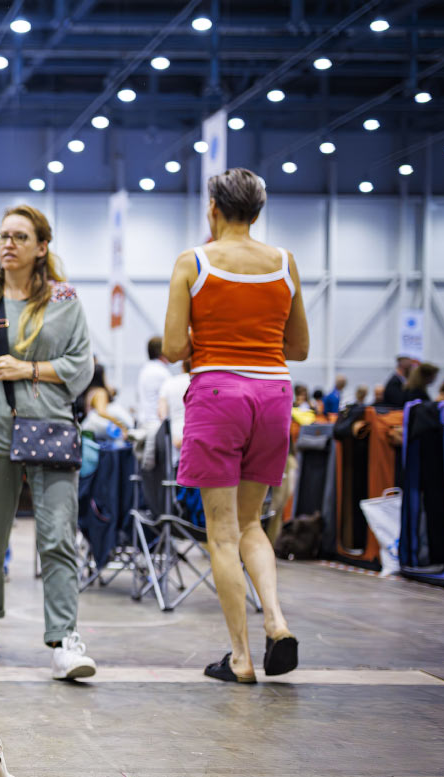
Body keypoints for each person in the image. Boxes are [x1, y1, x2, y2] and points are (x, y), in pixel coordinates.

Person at [162, 167, 307, 684]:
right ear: (258, 211)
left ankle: (242, 657)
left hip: (218, 392)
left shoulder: (193, 262)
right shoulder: (284, 263)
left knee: (221, 533)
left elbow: (174, 347)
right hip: (274, 393)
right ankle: (277, 618)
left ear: (214, 210)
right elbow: (299, 349)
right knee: (252, 524)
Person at [0, 204, 97, 680]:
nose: (8, 243)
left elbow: (82, 365)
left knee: (57, 538)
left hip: (53, 432)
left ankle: (64, 640)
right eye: (2, 235)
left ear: (42, 246)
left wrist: (29, 369)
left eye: (19, 236)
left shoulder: (64, 298)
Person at [82, 364, 132, 439]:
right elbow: (101, 412)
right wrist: (118, 423)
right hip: (101, 434)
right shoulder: (100, 393)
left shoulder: (90, 392)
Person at [136, 336, 172, 431]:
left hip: (142, 421)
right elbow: (169, 400)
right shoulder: (163, 373)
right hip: (156, 424)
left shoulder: (144, 370)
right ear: (163, 352)